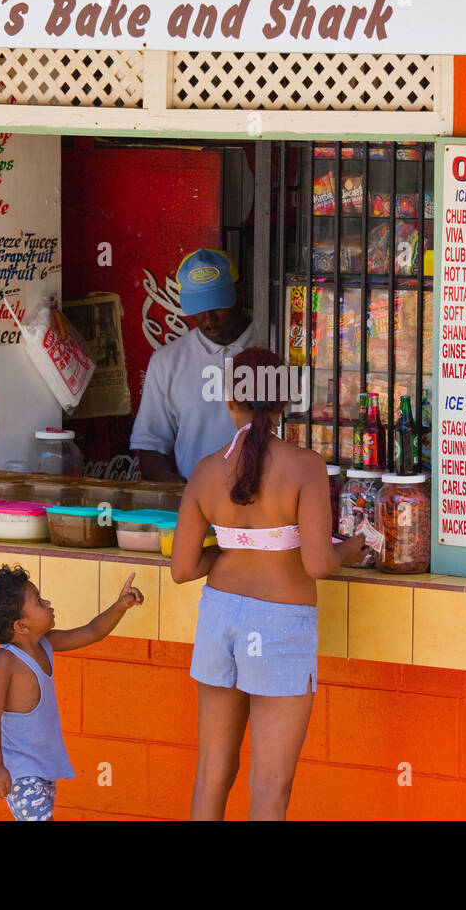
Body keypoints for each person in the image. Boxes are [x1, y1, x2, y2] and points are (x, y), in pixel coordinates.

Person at [170, 347, 367, 820]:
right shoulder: (305, 466)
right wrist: (354, 546)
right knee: (270, 789)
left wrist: (236, 545)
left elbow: (182, 568)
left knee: (211, 774)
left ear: (229, 402)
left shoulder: (205, 471)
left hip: (219, 615)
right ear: (285, 404)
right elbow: (320, 564)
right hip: (280, 624)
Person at [0, 563, 144, 820]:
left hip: (43, 770)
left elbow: (92, 632)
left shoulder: (46, 644)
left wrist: (120, 606)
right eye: (38, 601)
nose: (47, 602)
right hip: (21, 772)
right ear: (21, 626)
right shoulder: (6, 660)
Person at [131, 248, 255, 482]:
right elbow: (150, 447)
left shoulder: (276, 346)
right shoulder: (166, 362)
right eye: (199, 309)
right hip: (197, 504)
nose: (208, 320)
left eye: (218, 306)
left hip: (266, 508)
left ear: (239, 293)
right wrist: (174, 486)